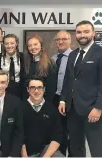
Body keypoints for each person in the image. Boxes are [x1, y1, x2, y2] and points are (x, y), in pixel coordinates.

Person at [59, 20, 102, 157]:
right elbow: (68, 80)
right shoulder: (73, 54)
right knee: (76, 148)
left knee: (97, 149)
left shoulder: (99, 53)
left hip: (92, 111)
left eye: (86, 31)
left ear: (94, 33)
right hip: (72, 110)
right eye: (79, 32)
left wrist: (98, 108)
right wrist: (63, 100)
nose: (82, 35)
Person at [21, 77, 63, 157]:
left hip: (45, 152)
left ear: (44, 89)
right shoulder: (20, 108)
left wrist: (46, 156)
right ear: (28, 90)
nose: (36, 91)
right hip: (24, 153)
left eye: (39, 88)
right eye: (32, 88)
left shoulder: (51, 110)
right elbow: (18, 136)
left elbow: (57, 136)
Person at [51, 30, 73, 156]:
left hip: (68, 99)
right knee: (56, 128)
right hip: (53, 98)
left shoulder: (74, 57)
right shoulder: (53, 58)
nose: (60, 42)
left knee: (68, 130)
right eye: (58, 39)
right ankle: (58, 153)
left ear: (70, 40)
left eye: (64, 39)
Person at [23, 34, 57, 102]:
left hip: (44, 103)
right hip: (27, 103)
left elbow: (52, 88)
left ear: (41, 46)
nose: (32, 47)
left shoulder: (50, 63)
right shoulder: (25, 63)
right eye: (30, 46)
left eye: (35, 44)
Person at [0, 34, 24, 98]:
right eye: (6, 43)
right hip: (3, 89)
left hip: (19, 90)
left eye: (12, 43)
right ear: (4, 45)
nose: (9, 46)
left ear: (16, 44)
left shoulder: (23, 57)